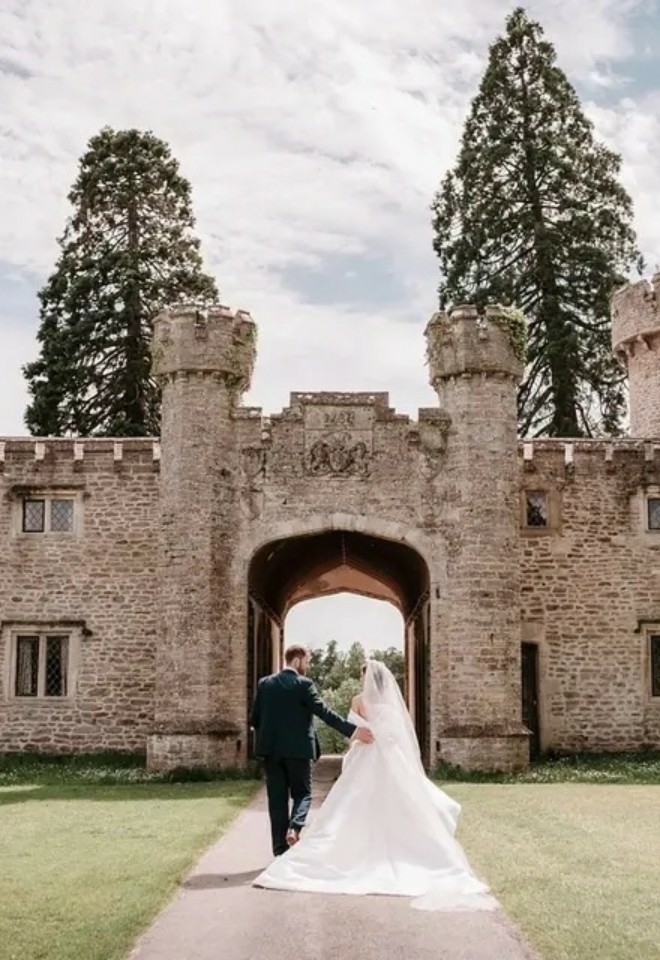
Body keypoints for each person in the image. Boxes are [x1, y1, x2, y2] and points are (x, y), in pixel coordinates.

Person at [253, 659, 497, 912]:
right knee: (396, 804)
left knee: (348, 806)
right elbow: (397, 738)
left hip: (363, 757)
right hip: (389, 757)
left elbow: (355, 735)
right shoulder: (392, 706)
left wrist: (353, 748)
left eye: (363, 676)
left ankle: (289, 847)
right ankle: (402, 849)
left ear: (366, 678)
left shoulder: (359, 701)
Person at [249, 644, 374, 857]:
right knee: (303, 794)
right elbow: (324, 713)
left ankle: (279, 851)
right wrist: (354, 731)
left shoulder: (265, 684)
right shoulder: (304, 684)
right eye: (307, 661)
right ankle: (295, 827)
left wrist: (267, 738)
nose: (307, 666)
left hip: (271, 752)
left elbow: (254, 719)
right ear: (297, 661)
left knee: (277, 801)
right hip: (299, 752)